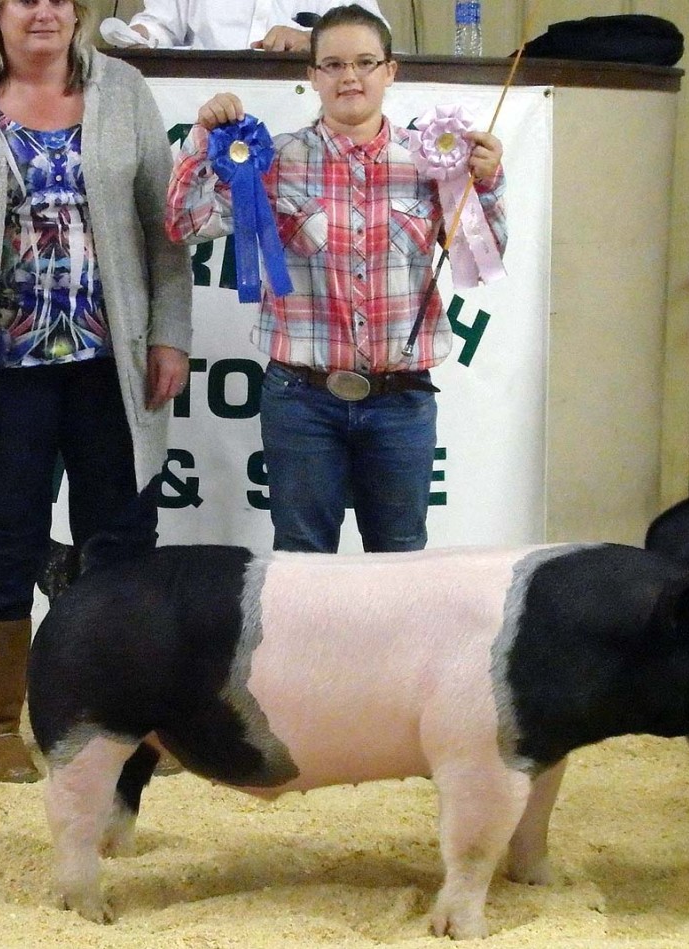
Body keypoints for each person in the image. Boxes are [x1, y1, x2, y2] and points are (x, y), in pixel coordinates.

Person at [167, 3, 505, 554]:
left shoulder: (434, 164)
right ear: (313, 76)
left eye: (366, 62)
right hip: (302, 398)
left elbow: (480, 258)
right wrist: (202, 144)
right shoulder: (270, 160)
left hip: (403, 399)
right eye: (333, 64)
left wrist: (485, 185)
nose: (350, 76)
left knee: (400, 561)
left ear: (391, 71)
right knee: (302, 560)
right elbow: (187, 224)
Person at [0, 0, 192, 782]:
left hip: (112, 361)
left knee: (121, 539)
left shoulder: (123, 90)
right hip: (6, 369)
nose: (43, 10)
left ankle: (126, 719)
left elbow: (165, 226)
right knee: (4, 539)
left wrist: (170, 333)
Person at [120, 0, 387, 51]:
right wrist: (139, 36)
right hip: (205, 106)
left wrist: (315, 40)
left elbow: (377, 35)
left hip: (304, 105)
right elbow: (159, 24)